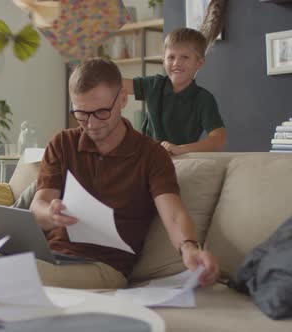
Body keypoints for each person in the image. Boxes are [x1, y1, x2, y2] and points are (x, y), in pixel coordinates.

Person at [29, 57, 219, 289]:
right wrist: (50, 213)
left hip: (104, 267)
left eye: (100, 112)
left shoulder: (150, 154)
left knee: (6, 275)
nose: (90, 124)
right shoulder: (62, 143)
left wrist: (189, 248)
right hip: (51, 257)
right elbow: (38, 206)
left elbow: (173, 215)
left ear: (122, 99)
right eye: (81, 114)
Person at [123, 28, 226, 155]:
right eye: (171, 57)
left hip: (179, 160)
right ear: (163, 61)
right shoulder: (154, 85)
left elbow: (218, 139)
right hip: (145, 157)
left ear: (199, 63)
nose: (177, 63)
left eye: (185, 57)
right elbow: (116, 85)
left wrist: (181, 149)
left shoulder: (203, 99)